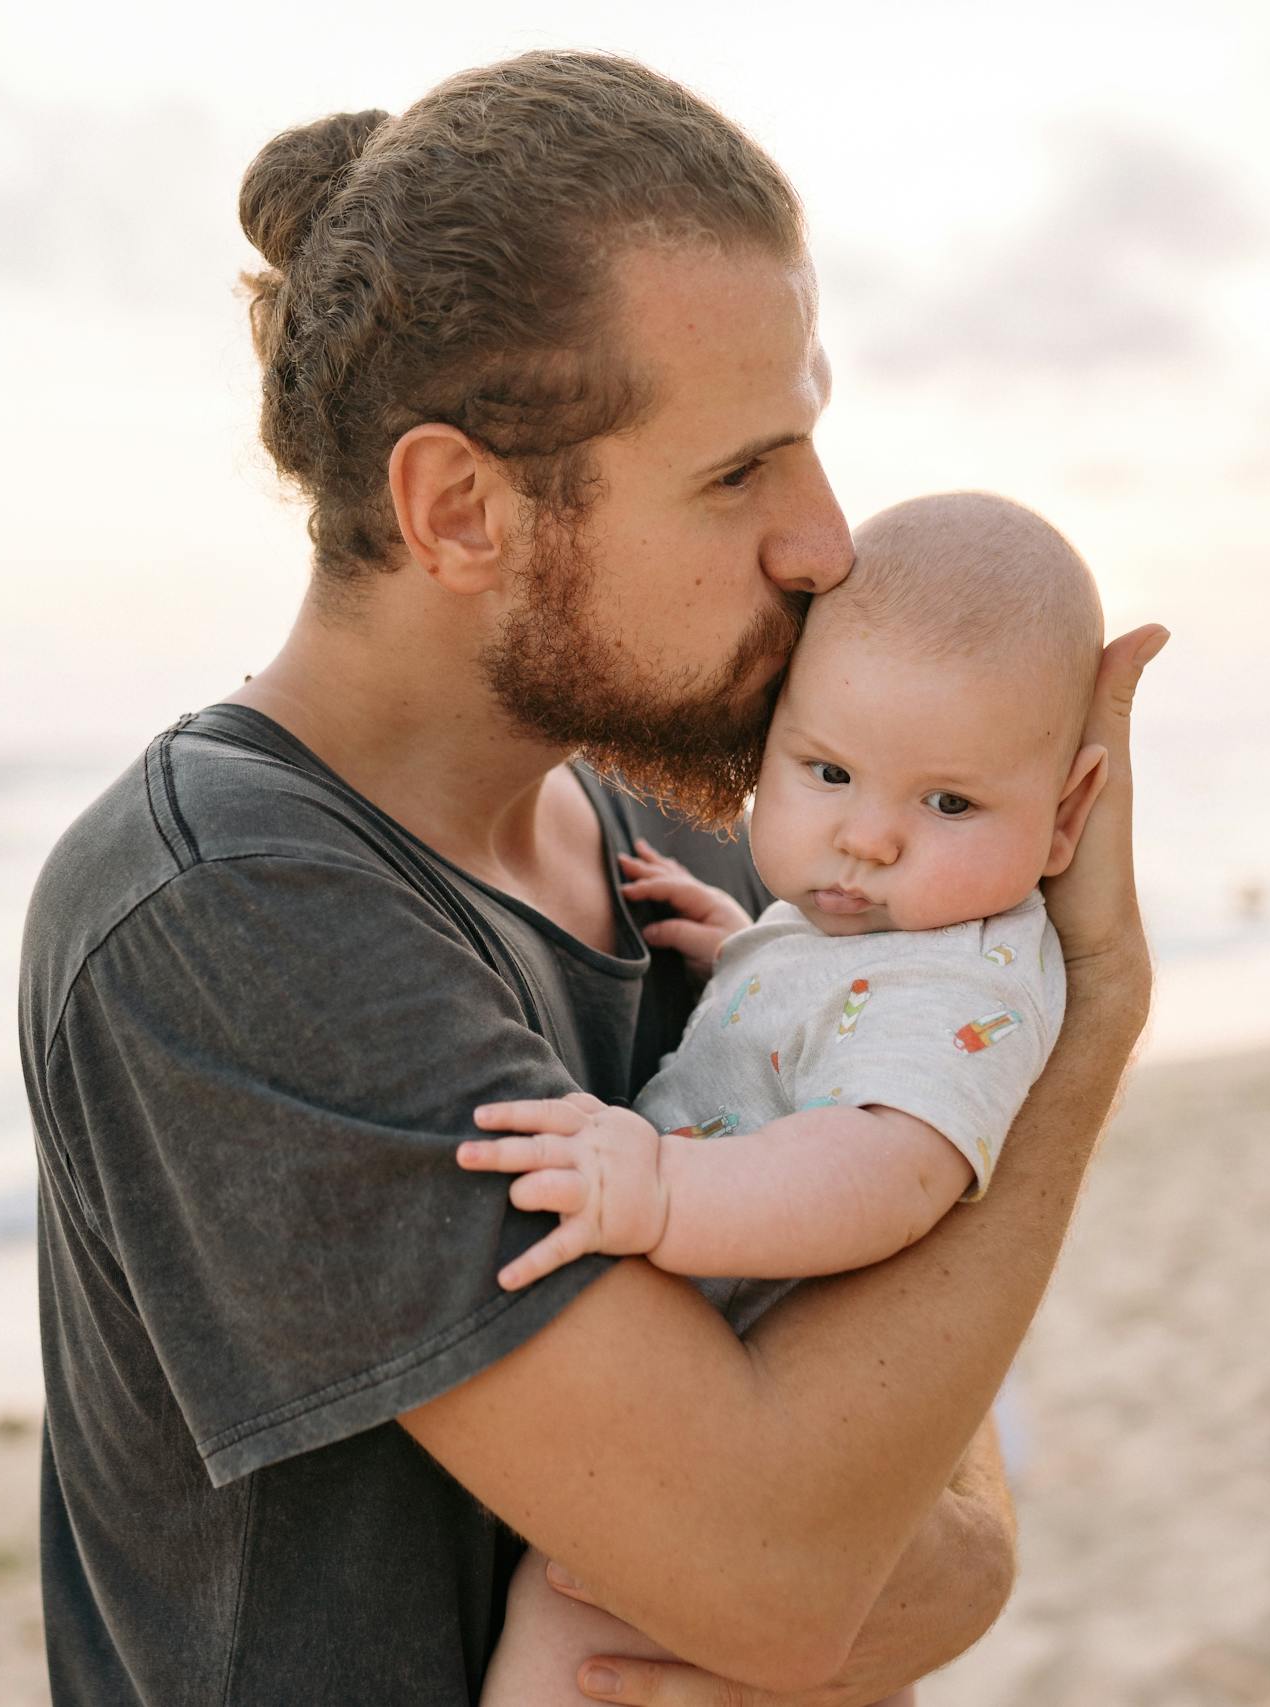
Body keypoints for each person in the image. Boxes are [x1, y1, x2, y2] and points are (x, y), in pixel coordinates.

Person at [17, 50, 1166, 1705]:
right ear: (460, 508)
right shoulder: (225, 914)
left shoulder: (708, 842)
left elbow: (919, 1433)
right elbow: (787, 1567)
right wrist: (1095, 1010)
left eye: (810, 441)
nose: (828, 539)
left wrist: (947, 1559)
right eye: (739, 470)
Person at [462, 492, 1109, 1705]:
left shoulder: (971, 977)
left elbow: (879, 1177)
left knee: (566, 1638)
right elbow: (827, 1019)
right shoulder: (859, 929)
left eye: (949, 803)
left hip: (770, 1429)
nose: (866, 840)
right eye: (826, 771)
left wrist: (659, 1192)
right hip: (754, 1429)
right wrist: (746, 945)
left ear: (1065, 815)